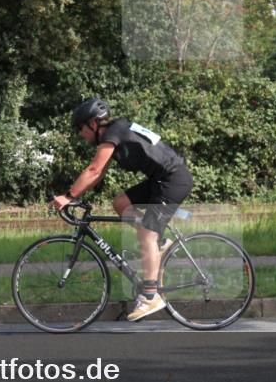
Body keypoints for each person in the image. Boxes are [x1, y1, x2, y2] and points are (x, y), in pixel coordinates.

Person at [50, 97, 193, 321]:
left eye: (81, 129)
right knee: (121, 204)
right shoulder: (116, 131)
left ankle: (150, 296)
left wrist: (68, 197)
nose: (81, 135)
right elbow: (98, 174)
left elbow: (94, 170)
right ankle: (158, 246)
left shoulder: (112, 135)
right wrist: (77, 194)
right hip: (160, 179)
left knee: (147, 232)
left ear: (93, 124)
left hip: (173, 181)